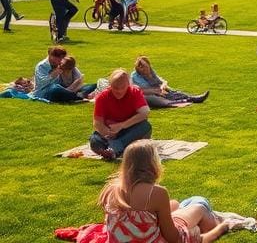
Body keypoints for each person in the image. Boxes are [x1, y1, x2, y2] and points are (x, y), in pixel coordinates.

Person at [95, 139, 230, 243]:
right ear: (153, 164)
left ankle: (199, 220)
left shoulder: (111, 190)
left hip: (128, 237)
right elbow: (172, 237)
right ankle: (219, 228)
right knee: (200, 205)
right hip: (152, 239)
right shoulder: (156, 193)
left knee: (175, 204)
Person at [89, 70, 153, 161]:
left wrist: (122, 125)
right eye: (115, 87)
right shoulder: (102, 97)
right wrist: (107, 133)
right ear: (110, 85)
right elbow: (97, 122)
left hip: (130, 129)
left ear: (128, 85)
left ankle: (113, 148)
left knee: (145, 126)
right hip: (110, 132)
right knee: (94, 140)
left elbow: (144, 113)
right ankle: (114, 149)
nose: (119, 91)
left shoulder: (135, 92)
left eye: (122, 87)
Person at [132, 56, 208, 108]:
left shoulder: (151, 71)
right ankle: (188, 99)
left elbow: (161, 80)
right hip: (149, 94)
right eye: (144, 68)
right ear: (139, 68)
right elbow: (143, 89)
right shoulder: (135, 76)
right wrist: (158, 90)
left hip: (157, 90)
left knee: (172, 91)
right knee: (162, 96)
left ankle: (192, 98)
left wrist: (163, 85)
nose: (147, 70)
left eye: (147, 67)